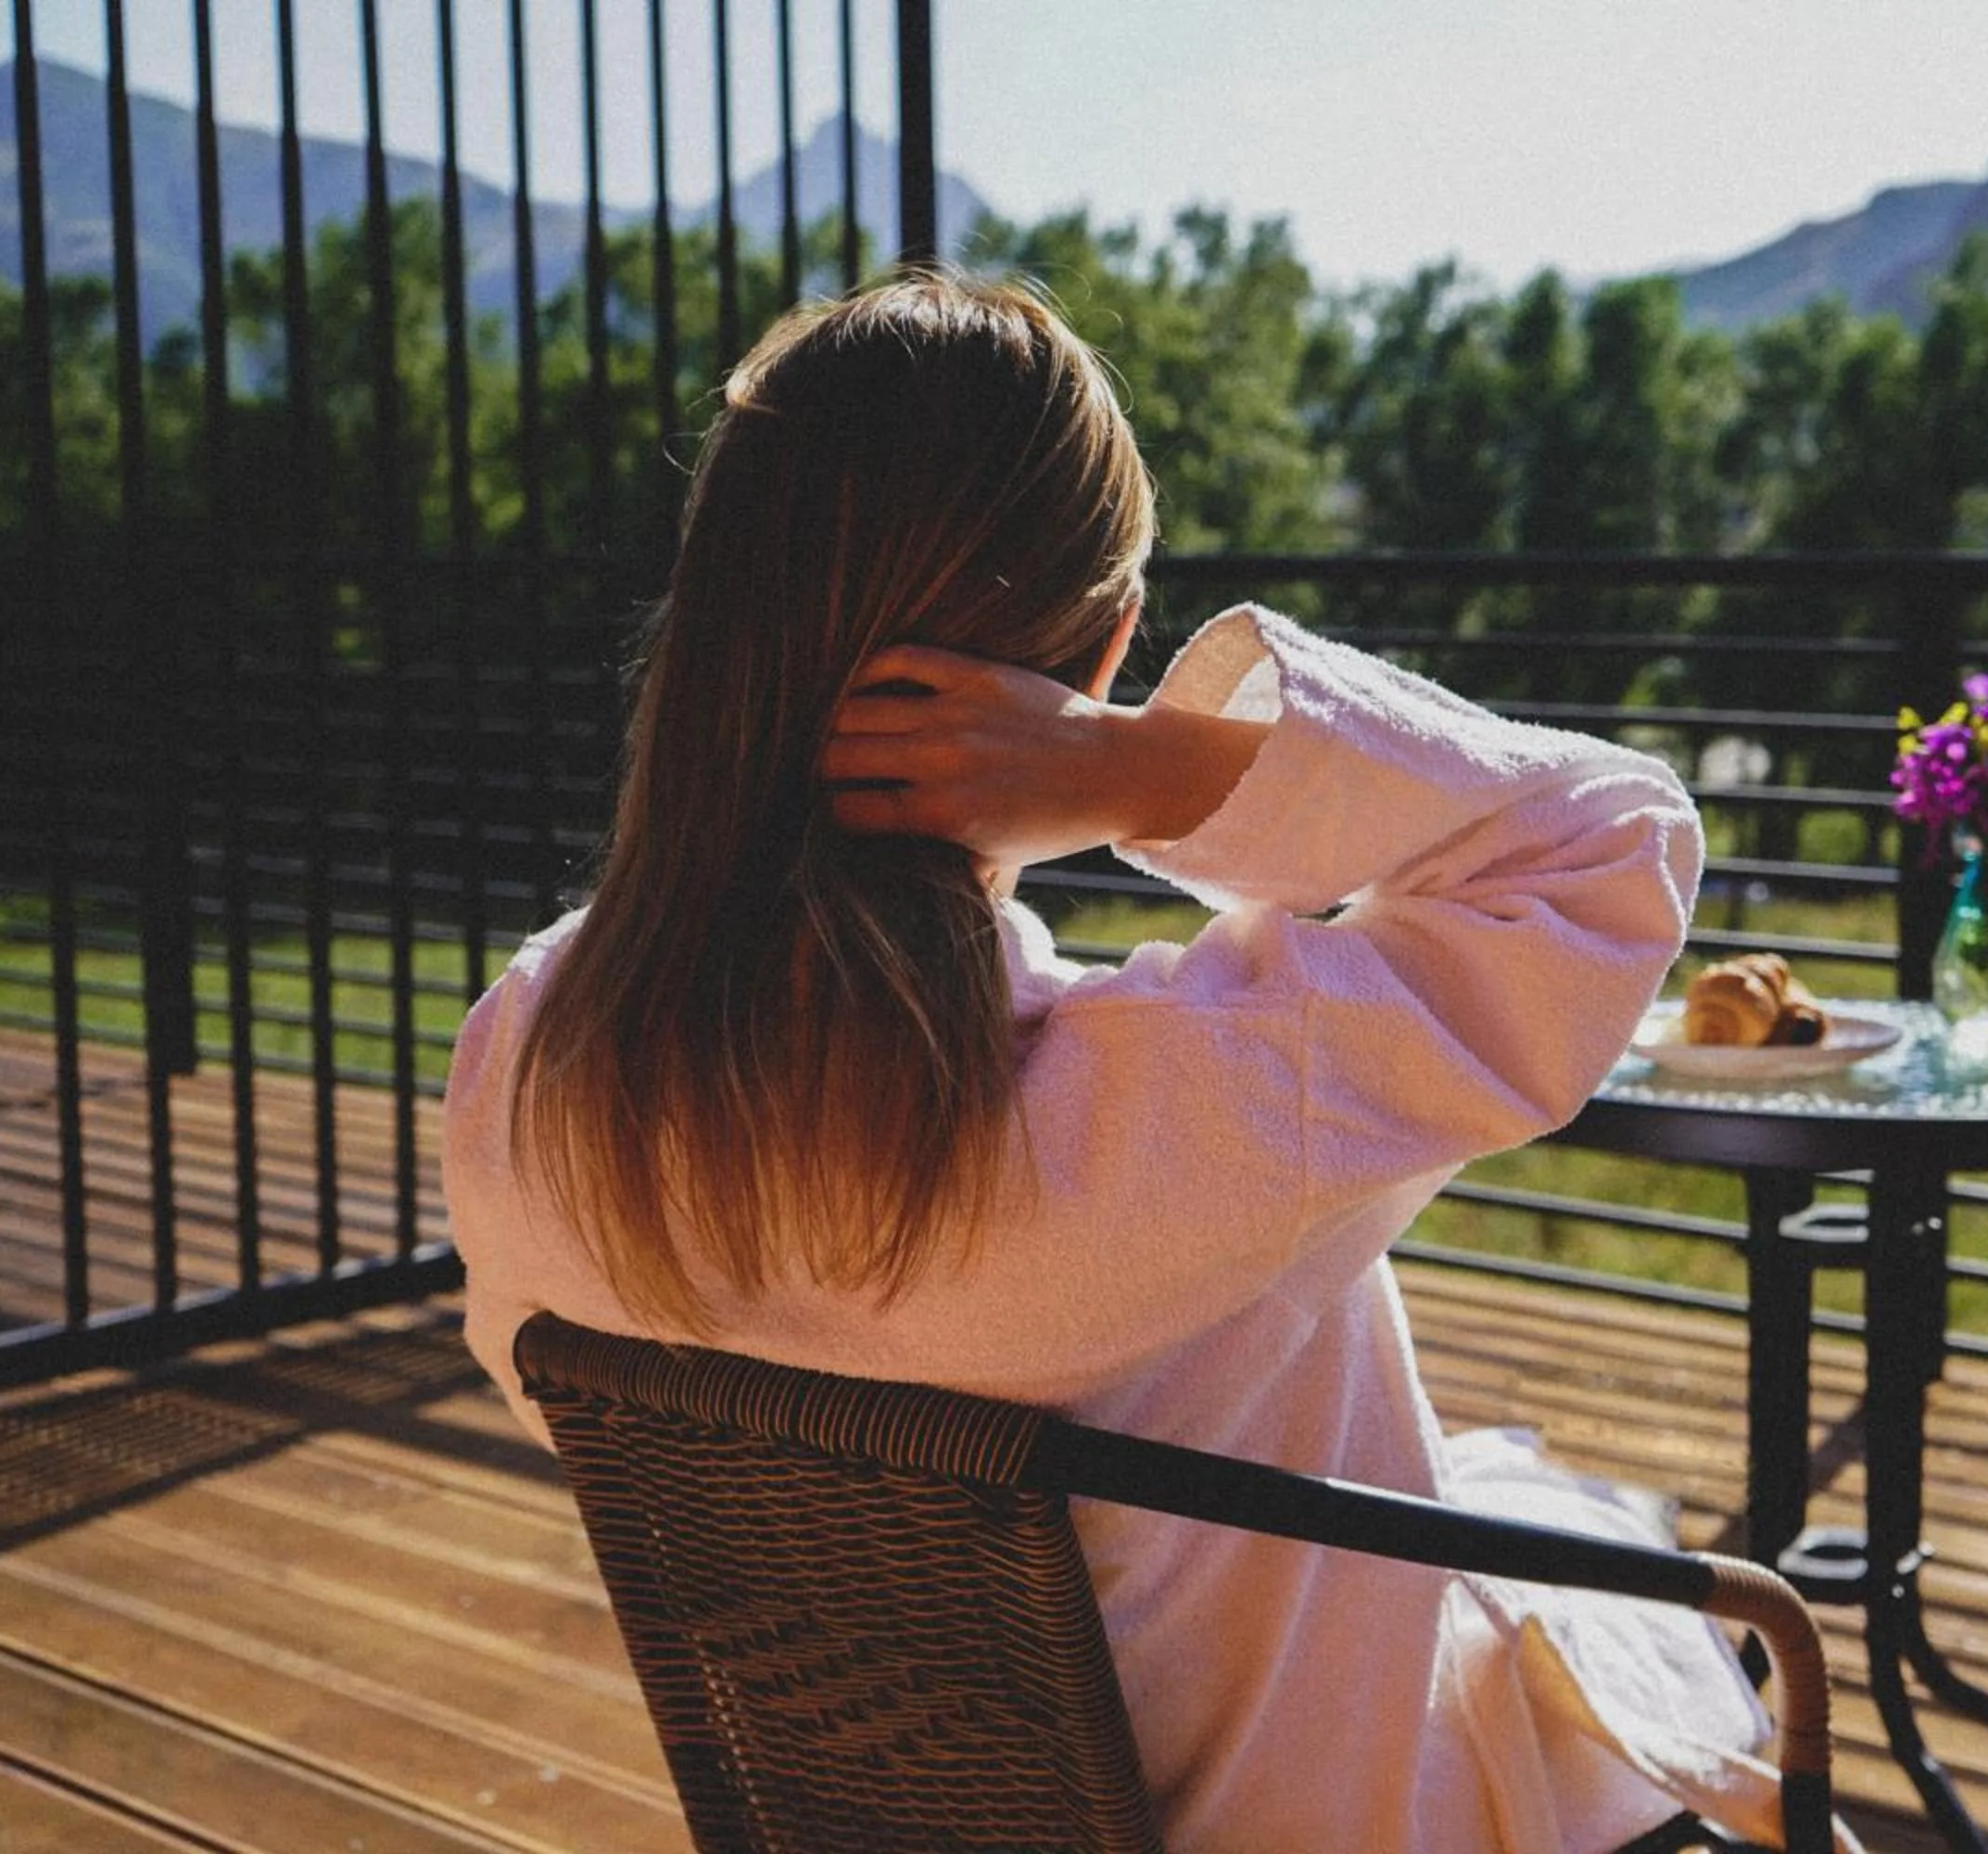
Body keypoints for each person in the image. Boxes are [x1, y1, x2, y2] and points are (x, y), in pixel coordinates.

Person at [444, 271, 1819, 1852]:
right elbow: (1612, 846)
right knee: (1642, 1597)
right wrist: (1150, 771)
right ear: (1098, 654)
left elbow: (548, 1381)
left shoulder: (532, 1068)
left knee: (1514, 1505)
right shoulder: (1184, 1119)